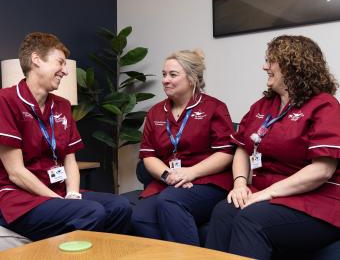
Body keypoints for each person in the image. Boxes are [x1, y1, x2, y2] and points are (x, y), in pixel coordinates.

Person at [205, 35, 340, 259]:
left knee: (251, 219)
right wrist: (239, 184)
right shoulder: (264, 105)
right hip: (269, 193)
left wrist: (265, 195)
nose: (265, 66)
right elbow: (241, 147)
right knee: (224, 211)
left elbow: (322, 170)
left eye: (271, 60)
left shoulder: (325, 105)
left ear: (292, 65)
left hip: (316, 200)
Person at [0, 32, 132, 241]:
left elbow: (70, 160)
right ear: (36, 60)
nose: (65, 71)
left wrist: (72, 195)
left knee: (120, 206)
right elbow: (16, 172)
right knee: (91, 212)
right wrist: (61, 202)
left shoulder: (61, 105)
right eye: (60, 62)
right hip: (20, 199)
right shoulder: (6, 100)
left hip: (58, 192)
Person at [130, 49, 235, 246]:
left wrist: (191, 173)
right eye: (164, 74)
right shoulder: (155, 112)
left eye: (173, 75)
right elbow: (148, 156)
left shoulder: (214, 108)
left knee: (170, 201)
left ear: (192, 78)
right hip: (170, 181)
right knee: (138, 216)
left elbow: (226, 152)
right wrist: (168, 175)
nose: (165, 80)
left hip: (207, 181)